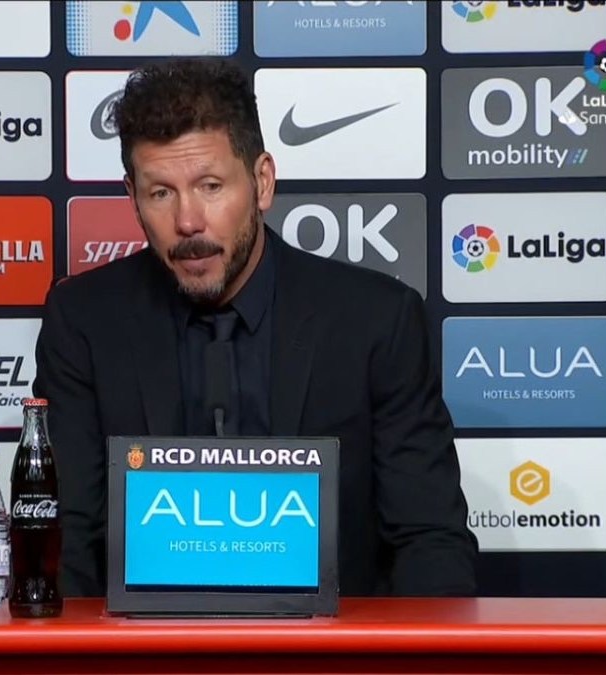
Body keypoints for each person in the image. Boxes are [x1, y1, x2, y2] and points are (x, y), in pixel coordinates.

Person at [33, 58, 478, 597]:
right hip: (141, 641)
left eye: (210, 186)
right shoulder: (84, 320)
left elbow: (429, 540)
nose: (188, 221)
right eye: (160, 193)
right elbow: (68, 537)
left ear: (262, 182)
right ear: (133, 198)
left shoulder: (377, 321)